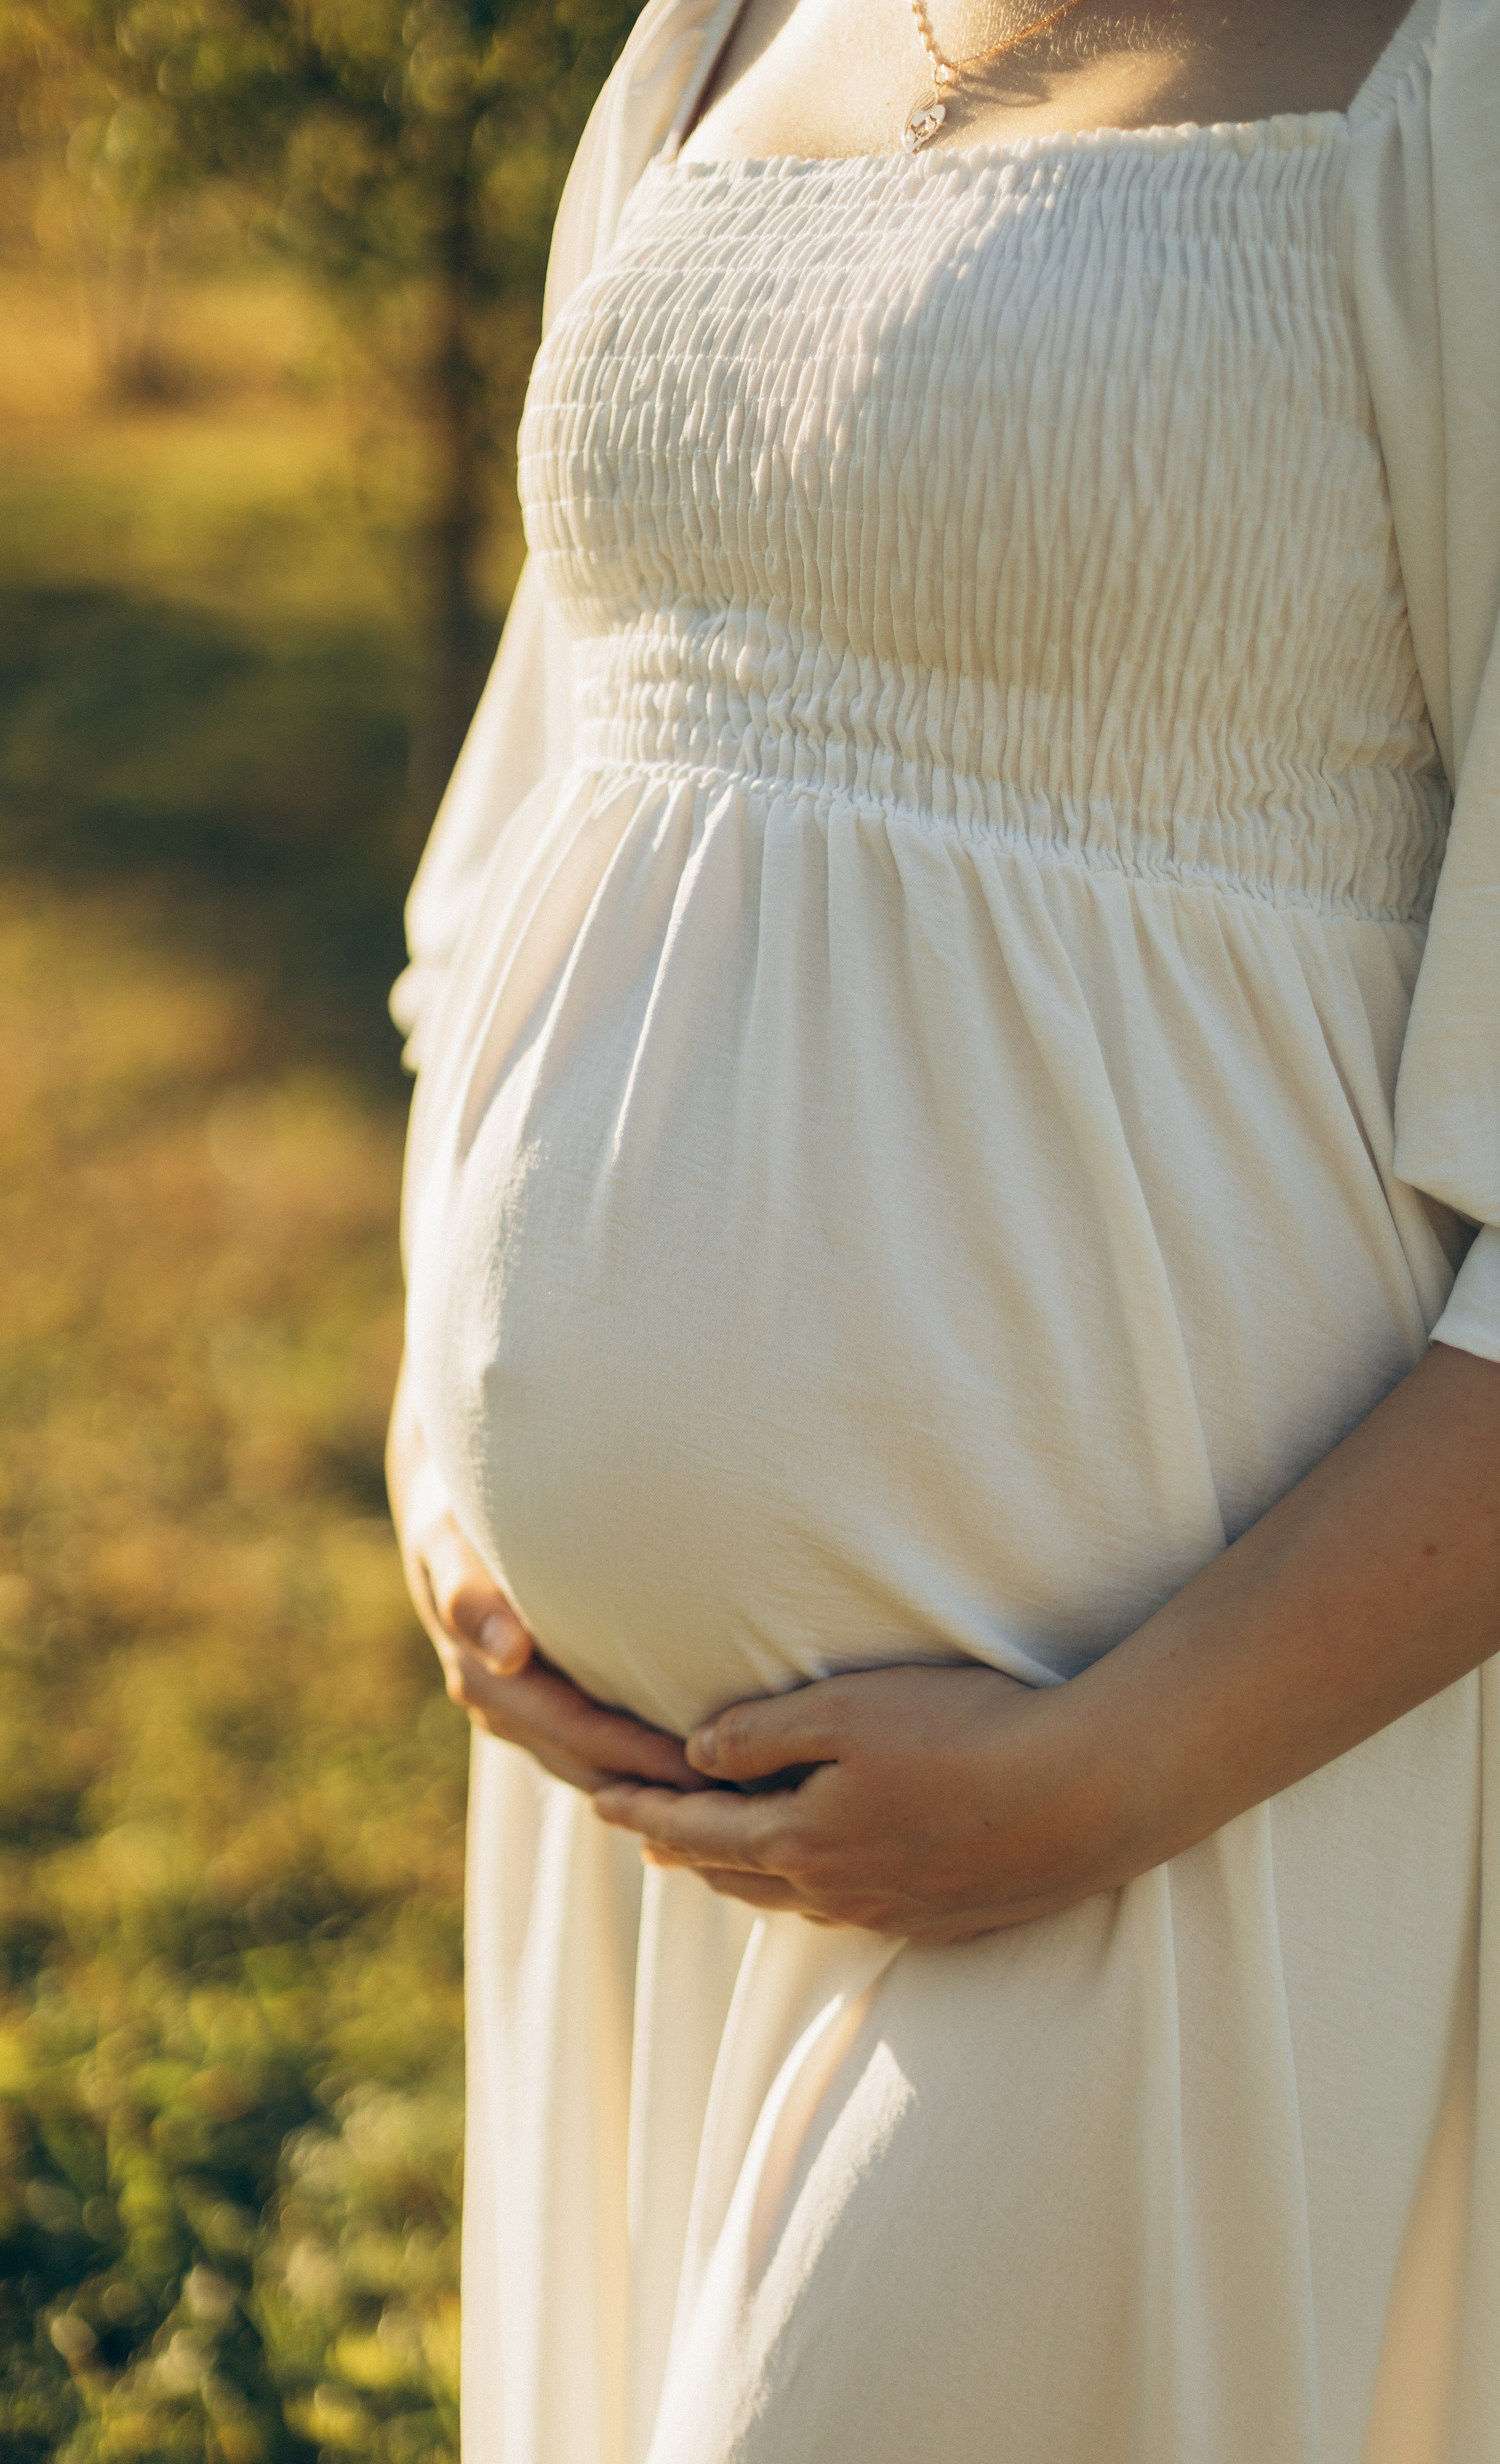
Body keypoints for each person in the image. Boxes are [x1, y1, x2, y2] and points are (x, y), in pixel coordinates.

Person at [386, 0, 1500, 2452]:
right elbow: (544, 822)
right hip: (627, 1798)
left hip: (1163, 1782)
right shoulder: (715, 33)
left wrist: (1116, 1772)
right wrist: (446, 1464)